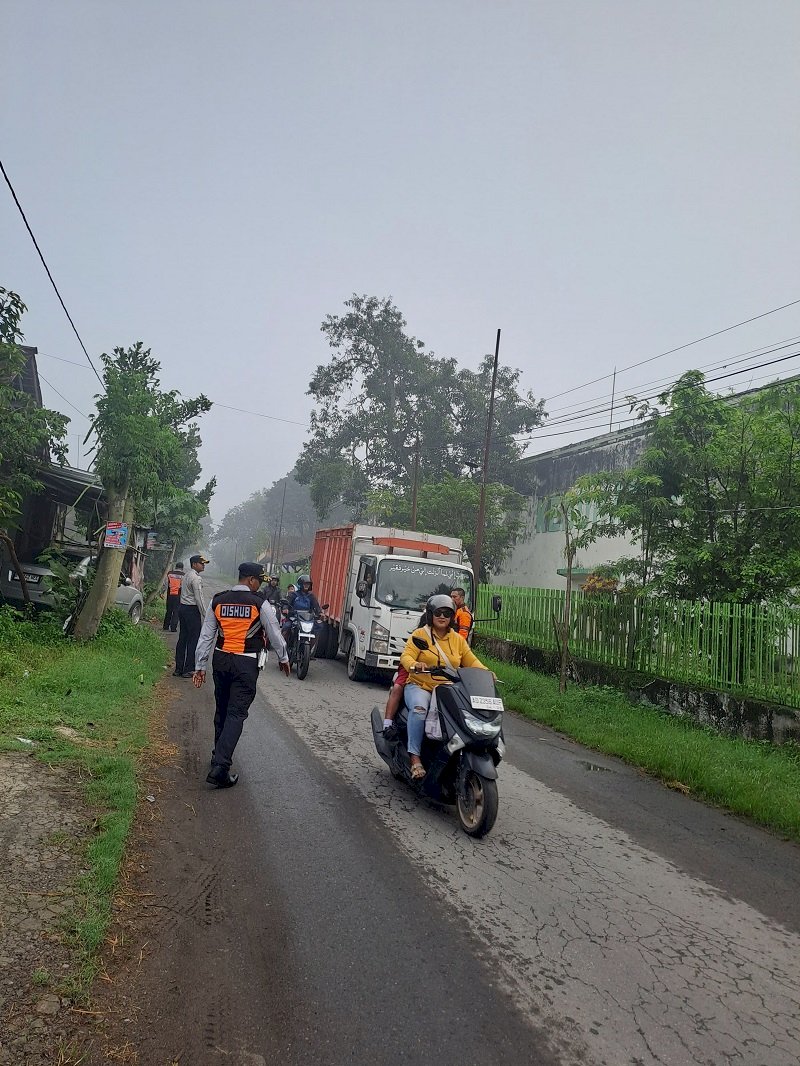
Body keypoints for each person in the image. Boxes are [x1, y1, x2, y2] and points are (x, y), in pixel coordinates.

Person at [194, 562, 290, 788]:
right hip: (246, 663)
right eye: (259, 582)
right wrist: (284, 658)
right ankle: (221, 766)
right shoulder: (259, 603)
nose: (259, 586)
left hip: (221, 660)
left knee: (223, 710)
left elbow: (206, 634)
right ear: (251, 580)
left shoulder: (217, 600)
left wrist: (200, 664)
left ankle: (217, 755)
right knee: (236, 713)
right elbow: (275, 633)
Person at [399, 594, 490, 780]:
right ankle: (415, 758)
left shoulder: (457, 640)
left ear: (452, 616)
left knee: (461, 716)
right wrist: (415, 665)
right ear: (431, 614)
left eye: (447, 613)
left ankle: (450, 755)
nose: (442, 616)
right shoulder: (420, 635)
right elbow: (407, 656)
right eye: (438, 612)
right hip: (421, 685)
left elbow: (471, 660)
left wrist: (487, 673)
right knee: (419, 710)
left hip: (447, 689)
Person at [174, 554, 209, 677]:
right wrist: (205, 614)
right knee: (193, 639)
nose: (203, 565)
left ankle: (178, 668)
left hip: (182, 608)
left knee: (182, 638)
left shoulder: (186, 575)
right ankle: (188, 668)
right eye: (201, 563)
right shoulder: (196, 578)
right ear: (194, 564)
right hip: (192, 610)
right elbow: (199, 599)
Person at [162, 561, 184, 632]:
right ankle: (173, 628)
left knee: (168, 610)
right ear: (182, 568)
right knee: (176, 611)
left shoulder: (169, 574)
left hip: (170, 594)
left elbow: (165, 584)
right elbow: (183, 587)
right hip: (178, 595)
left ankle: (165, 626)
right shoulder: (184, 575)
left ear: (176, 567)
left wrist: (162, 592)